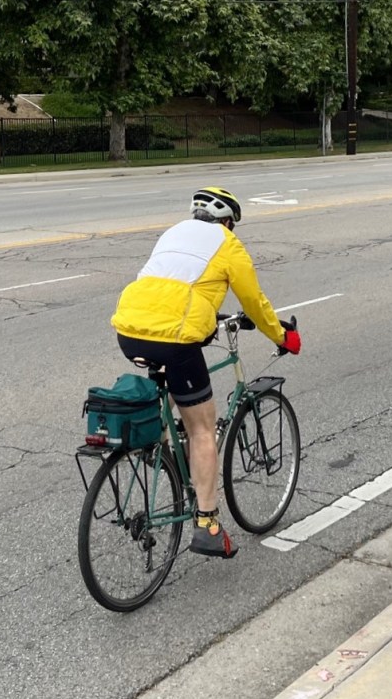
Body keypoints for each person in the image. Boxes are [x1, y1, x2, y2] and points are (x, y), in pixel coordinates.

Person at [111, 186, 301, 559]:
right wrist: (283, 335)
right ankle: (207, 523)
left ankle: (166, 451)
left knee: (178, 404)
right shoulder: (228, 244)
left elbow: (168, 286)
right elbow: (254, 302)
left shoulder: (173, 233)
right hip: (176, 339)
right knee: (202, 428)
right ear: (228, 221)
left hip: (129, 329)